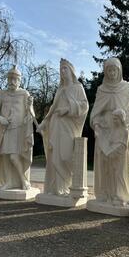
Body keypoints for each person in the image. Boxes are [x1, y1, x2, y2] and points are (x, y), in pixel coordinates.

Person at [37, 59, 89, 195]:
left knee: (66, 156)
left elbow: (84, 106)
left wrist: (67, 110)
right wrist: (44, 122)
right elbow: (53, 109)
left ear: (71, 72)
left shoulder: (78, 88)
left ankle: (67, 186)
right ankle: (56, 189)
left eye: (65, 69)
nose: (62, 72)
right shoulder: (60, 89)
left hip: (69, 125)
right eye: (61, 70)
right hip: (56, 125)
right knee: (55, 156)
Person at [90, 57, 129, 206]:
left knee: (120, 165)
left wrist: (124, 119)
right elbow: (96, 111)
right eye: (108, 70)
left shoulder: (126, 87)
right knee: (106, 165)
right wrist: (96, 125)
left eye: (114, 70)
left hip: (120, 129)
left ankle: (120, 194)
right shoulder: (101, 89)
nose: (111, 73)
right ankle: (105, 194)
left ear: (119, 70)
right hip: (104, 131)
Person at [0, 65, 35, 190]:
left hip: (18, 130)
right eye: (10, 79)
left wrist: (30, 105)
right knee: (5, 155)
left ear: (19, 80)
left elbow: (30, 112)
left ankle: (23, 180)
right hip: (5, 129)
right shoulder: (2, 94)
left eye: (15, 79)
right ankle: (9, 182)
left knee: (14, 156)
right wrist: (0, 119)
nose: (12, 81)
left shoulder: (24, 94)